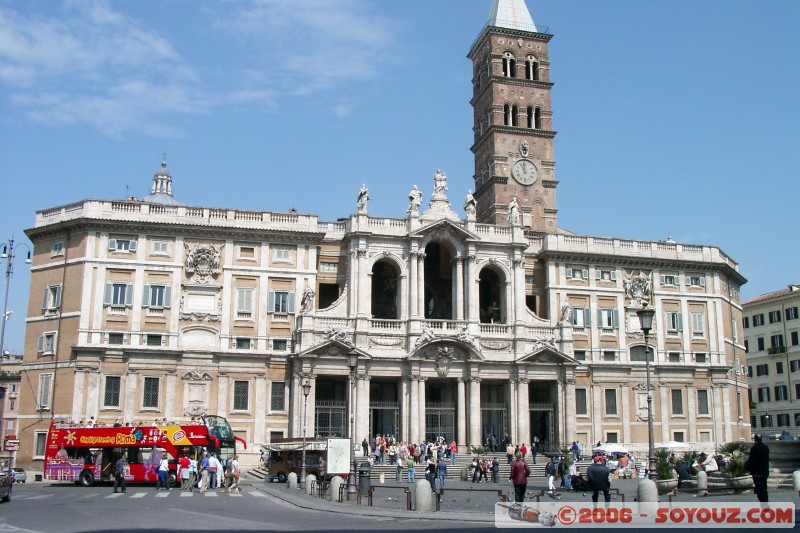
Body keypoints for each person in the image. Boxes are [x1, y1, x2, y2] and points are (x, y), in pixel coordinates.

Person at [745, 433, 770, 503]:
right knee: (764, 488)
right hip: (765, 471)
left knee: (759, 489)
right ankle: (766, 502)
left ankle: (763, 503)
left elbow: (751, 460)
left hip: (757, 472)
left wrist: (747, 466)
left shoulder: (754, 448)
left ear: (755, 439)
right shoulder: (765, 447)